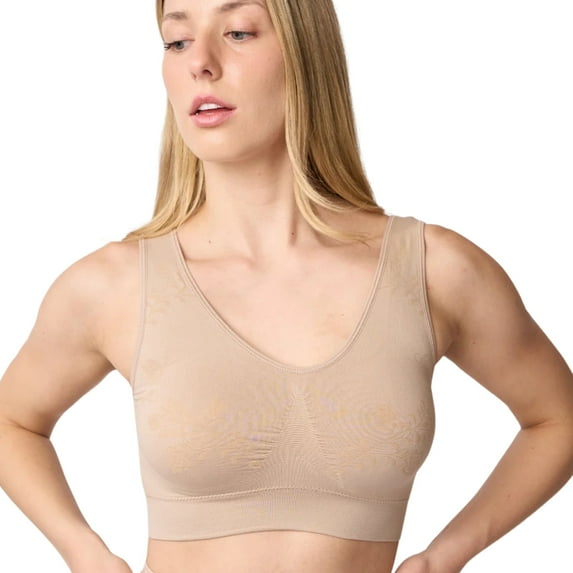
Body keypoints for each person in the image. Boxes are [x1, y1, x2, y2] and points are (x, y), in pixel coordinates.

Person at [0, 0, 572, 572]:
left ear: (306, 53)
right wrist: (84, 553)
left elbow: (559, 419)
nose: (200, 62)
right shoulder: (114, 285)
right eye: (177, 41)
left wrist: (444, 557)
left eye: (238, 32)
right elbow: (12, 422)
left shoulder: (431, 270)